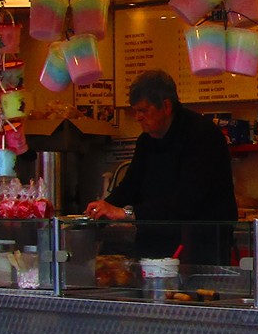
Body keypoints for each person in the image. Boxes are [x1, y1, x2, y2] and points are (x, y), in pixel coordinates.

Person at [84, 69, 238, 261]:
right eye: (135, 111)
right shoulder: (147, 141)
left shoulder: (202, 135)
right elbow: (131, 186)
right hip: (154, 245)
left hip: (200, 248)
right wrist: (104, 208)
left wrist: (127, 213)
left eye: (143, 110)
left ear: (166, 106)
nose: (138, 117)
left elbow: (187, 200)